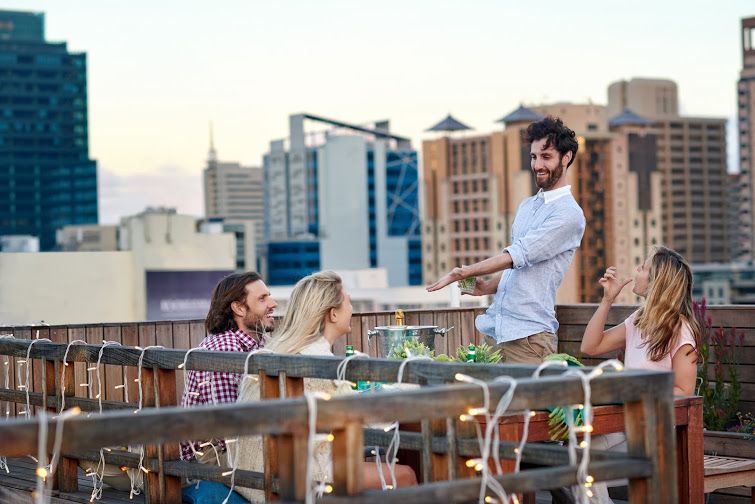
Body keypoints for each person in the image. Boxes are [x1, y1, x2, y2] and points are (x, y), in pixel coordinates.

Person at [234, 271, 418, 503]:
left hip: (254, 477)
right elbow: (375, 419)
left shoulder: (275, 350)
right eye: (348, 302)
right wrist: (413, 384)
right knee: (405, 476)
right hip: (294, 479)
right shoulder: (319, 360)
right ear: (333, 313)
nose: (351, 309)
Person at [427, 116, 586, 364]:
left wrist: (463, 272)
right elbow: (521, 268)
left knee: (525, 405)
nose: (537, 165)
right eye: (534, 157)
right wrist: (488, 286)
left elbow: (517, 256)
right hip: (494, 331)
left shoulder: (569, 215)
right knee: (480, 403)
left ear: (566, 158)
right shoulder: (527, 206)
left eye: (546, 157)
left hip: (529, 339)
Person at [580, 245, 703, 503]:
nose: (637, 270)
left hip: (654, 433)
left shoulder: (681, 331)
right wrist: (607, 300)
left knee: (583, 467)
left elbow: (684, 393)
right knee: (573, 456)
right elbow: (591, 346)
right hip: (623, 424)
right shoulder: (639, 320)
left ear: (657, 281)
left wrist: (636, 390)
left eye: (644, 268)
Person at [180, 271, 277, 504]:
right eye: (262, 299)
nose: (273, 304)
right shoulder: (225, 349)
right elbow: (230, 432)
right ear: (239, 308)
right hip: (208, 458)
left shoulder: (257, 343)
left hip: (230, 449)